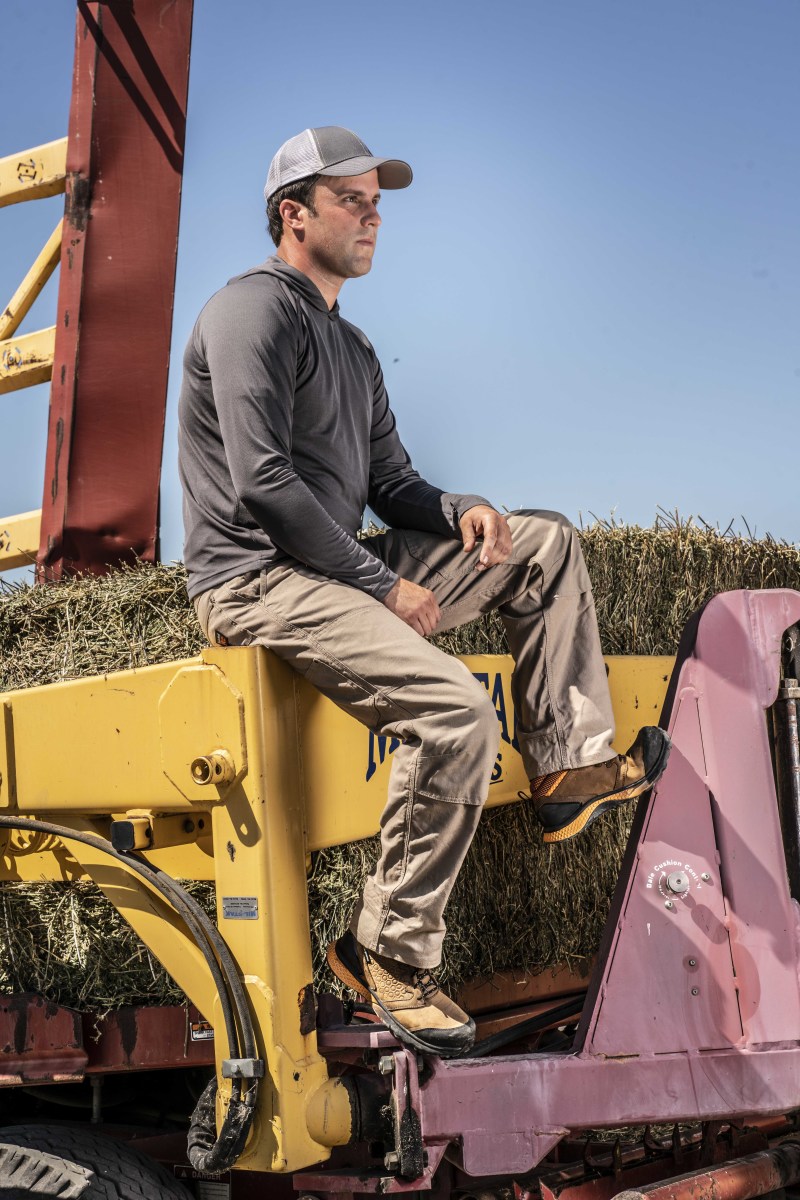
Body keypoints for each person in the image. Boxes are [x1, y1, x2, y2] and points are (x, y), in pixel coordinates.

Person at [178, 126, 670, 1058]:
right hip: (257, 579)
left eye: (377, 204)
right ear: (293, 214)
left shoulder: (353, 347)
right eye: (352, 201)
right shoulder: (252, 312)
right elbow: (264, 484)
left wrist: (463, 508)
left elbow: (392, 484)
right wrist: (383, 585)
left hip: (330, 567)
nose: (373, 219)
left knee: (541, 541)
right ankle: (389, 954)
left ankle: (566, 765)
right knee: (453, 713)